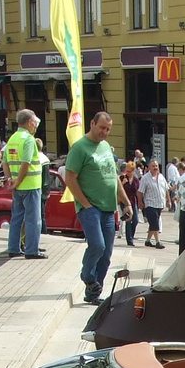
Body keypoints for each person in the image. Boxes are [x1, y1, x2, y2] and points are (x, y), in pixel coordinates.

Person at [63, 110, 128, 303]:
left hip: (109, 209)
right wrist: (85, 204)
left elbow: (114, 177)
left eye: (108, 129)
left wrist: (126, 202)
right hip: (90, 207)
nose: (105, 132)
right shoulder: (80, 148)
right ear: (92, 124)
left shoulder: (106, 146)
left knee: (106, 255)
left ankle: (93, 293)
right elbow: (70, 178)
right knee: (97, 246)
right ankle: (87, 276)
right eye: (102, 128)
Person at [3, 109, 45, 258]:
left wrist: (11, 181)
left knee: (16, 218)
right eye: (34, 123)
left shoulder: (12, 139)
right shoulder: (29, 139)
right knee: (33, 220)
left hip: (17, 187)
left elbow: (5, 162)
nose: (35, 126)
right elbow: (26, 163)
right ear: (28, 122)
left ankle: (13, 248)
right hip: (30, 185)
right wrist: (19, 180)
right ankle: (32, 250)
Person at [138, 159, 168, 248]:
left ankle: (147, 241)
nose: (155, 168)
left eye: (156, 166)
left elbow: (166, 189)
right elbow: (140, 192)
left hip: (160, 204)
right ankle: (158, 242)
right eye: (153, 166)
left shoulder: (161, 177)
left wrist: (169, 200)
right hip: (150, 204)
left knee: (153, 224)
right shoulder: (145, 178)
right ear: (149, 168)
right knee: (155, 223)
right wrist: (140, 202)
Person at [120, 160, 143, 248]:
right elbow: (118, 189)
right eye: (127, 171)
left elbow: (138, 191)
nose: (127, 173)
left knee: (136, 220)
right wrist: (123, 183)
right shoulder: (122, 178)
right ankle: (129, 240)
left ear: (133, 171)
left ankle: (131, 235)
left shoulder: (136, 180)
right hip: (125, 202)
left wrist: (140, 202)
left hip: (134, 201)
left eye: (129, 171)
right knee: (128, 220)